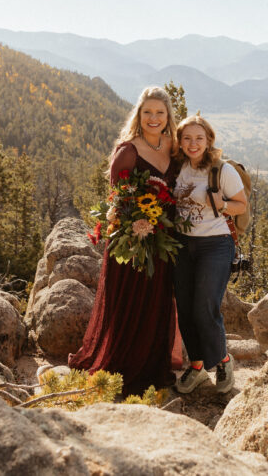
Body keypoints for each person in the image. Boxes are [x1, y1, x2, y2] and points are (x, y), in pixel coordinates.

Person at [68, 86, 180, 395]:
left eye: (160, 112)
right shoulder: (128, 150)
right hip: (131, 241)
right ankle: (120, 365)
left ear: (168, 115)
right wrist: (135, 227)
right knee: (129, 302)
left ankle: (152, 364)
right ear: (139, 115)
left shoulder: (174, 147)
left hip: (163, 240)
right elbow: (118, 197)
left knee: (156, 302)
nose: (153, 118)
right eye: (148, 112)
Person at [171, 114, 247, 394]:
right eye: (187, 138)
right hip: (182, 244)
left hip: (215, 244)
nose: (193, 144)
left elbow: (241, 204)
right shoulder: (178, 167)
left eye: (199, 138)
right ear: (180, 142)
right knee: (187, 310)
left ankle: (224, 361)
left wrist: (223, 204)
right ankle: (198, 367)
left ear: (209, 140)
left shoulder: (221, 170)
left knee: (205, 307)